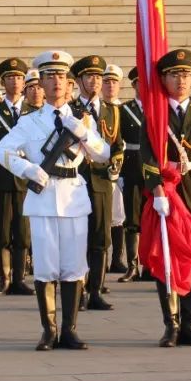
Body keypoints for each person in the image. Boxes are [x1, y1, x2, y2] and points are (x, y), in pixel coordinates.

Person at [0, 50, 111, 351]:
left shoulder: (81, 120)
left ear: (70, 85)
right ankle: (49, 329)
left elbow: (102, 154)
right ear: (40, 85)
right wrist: (28, 168)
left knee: (73, 264)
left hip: (73, 196)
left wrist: (85, 134)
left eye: (61, 76)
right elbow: (1, 150)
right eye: (49, 77)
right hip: (44, 198)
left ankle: (69, 330)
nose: (56, 82)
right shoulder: (29, 123)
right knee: (45, 266)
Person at [142, 48, 191, 347]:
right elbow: (148, 156)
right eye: (175, 75)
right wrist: (157, 190)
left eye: (186, 74)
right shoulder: (155, 113)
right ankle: (171, 324)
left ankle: (189, 323)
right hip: (168, 192)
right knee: (166, 256)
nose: (181, 80)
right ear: (163, 78)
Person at [70, 55, 125, 312]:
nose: (95, 81)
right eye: (89, 76)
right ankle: (77, 292)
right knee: (79, 238)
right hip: (76, 182)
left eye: (98, 77)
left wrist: (116, 162)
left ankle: (96, 291)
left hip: (102, 181)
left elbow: (118, 144)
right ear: (79, 80)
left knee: (101, 238)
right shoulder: (69, 110)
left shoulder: (112, 110)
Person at [0, 57, 36, 296]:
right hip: (2, 179)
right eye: (10, 78)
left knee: (23, 233)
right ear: (2, 82)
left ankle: (19, 278)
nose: (15, 82)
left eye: (19, 77)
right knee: (3, 232)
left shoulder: (34, 112)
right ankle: (4, 279)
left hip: (26, 180)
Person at [117, 68, 144, 282]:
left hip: (154, 169)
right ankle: (132, 265)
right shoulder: (124, 110)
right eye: (139, 83)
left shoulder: (159, 109)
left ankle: (151, 266)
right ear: (134, 86)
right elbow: (117, 141)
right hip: (132, 166)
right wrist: (119, 172)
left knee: (152, 219)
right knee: (132, 219)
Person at [102, 64, 128, 275]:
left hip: (123, 169)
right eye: (106, 81)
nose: (110, 86)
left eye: (113, 82)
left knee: (119, 215)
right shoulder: (99, 109)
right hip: (102, 170)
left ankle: (118, 258)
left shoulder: (124, 110)